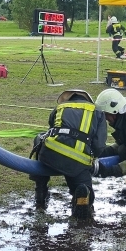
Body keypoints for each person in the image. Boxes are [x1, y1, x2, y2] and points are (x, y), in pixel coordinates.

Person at [30, 89, 107, 219]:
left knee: (39, 138)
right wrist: (92, 158)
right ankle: (82, 197)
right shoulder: (97, 112)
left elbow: (51, 129)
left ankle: (40, 195)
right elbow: (99, 144)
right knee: (84, 188)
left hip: (50, 154)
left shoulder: (60, 108)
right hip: (78, 160)